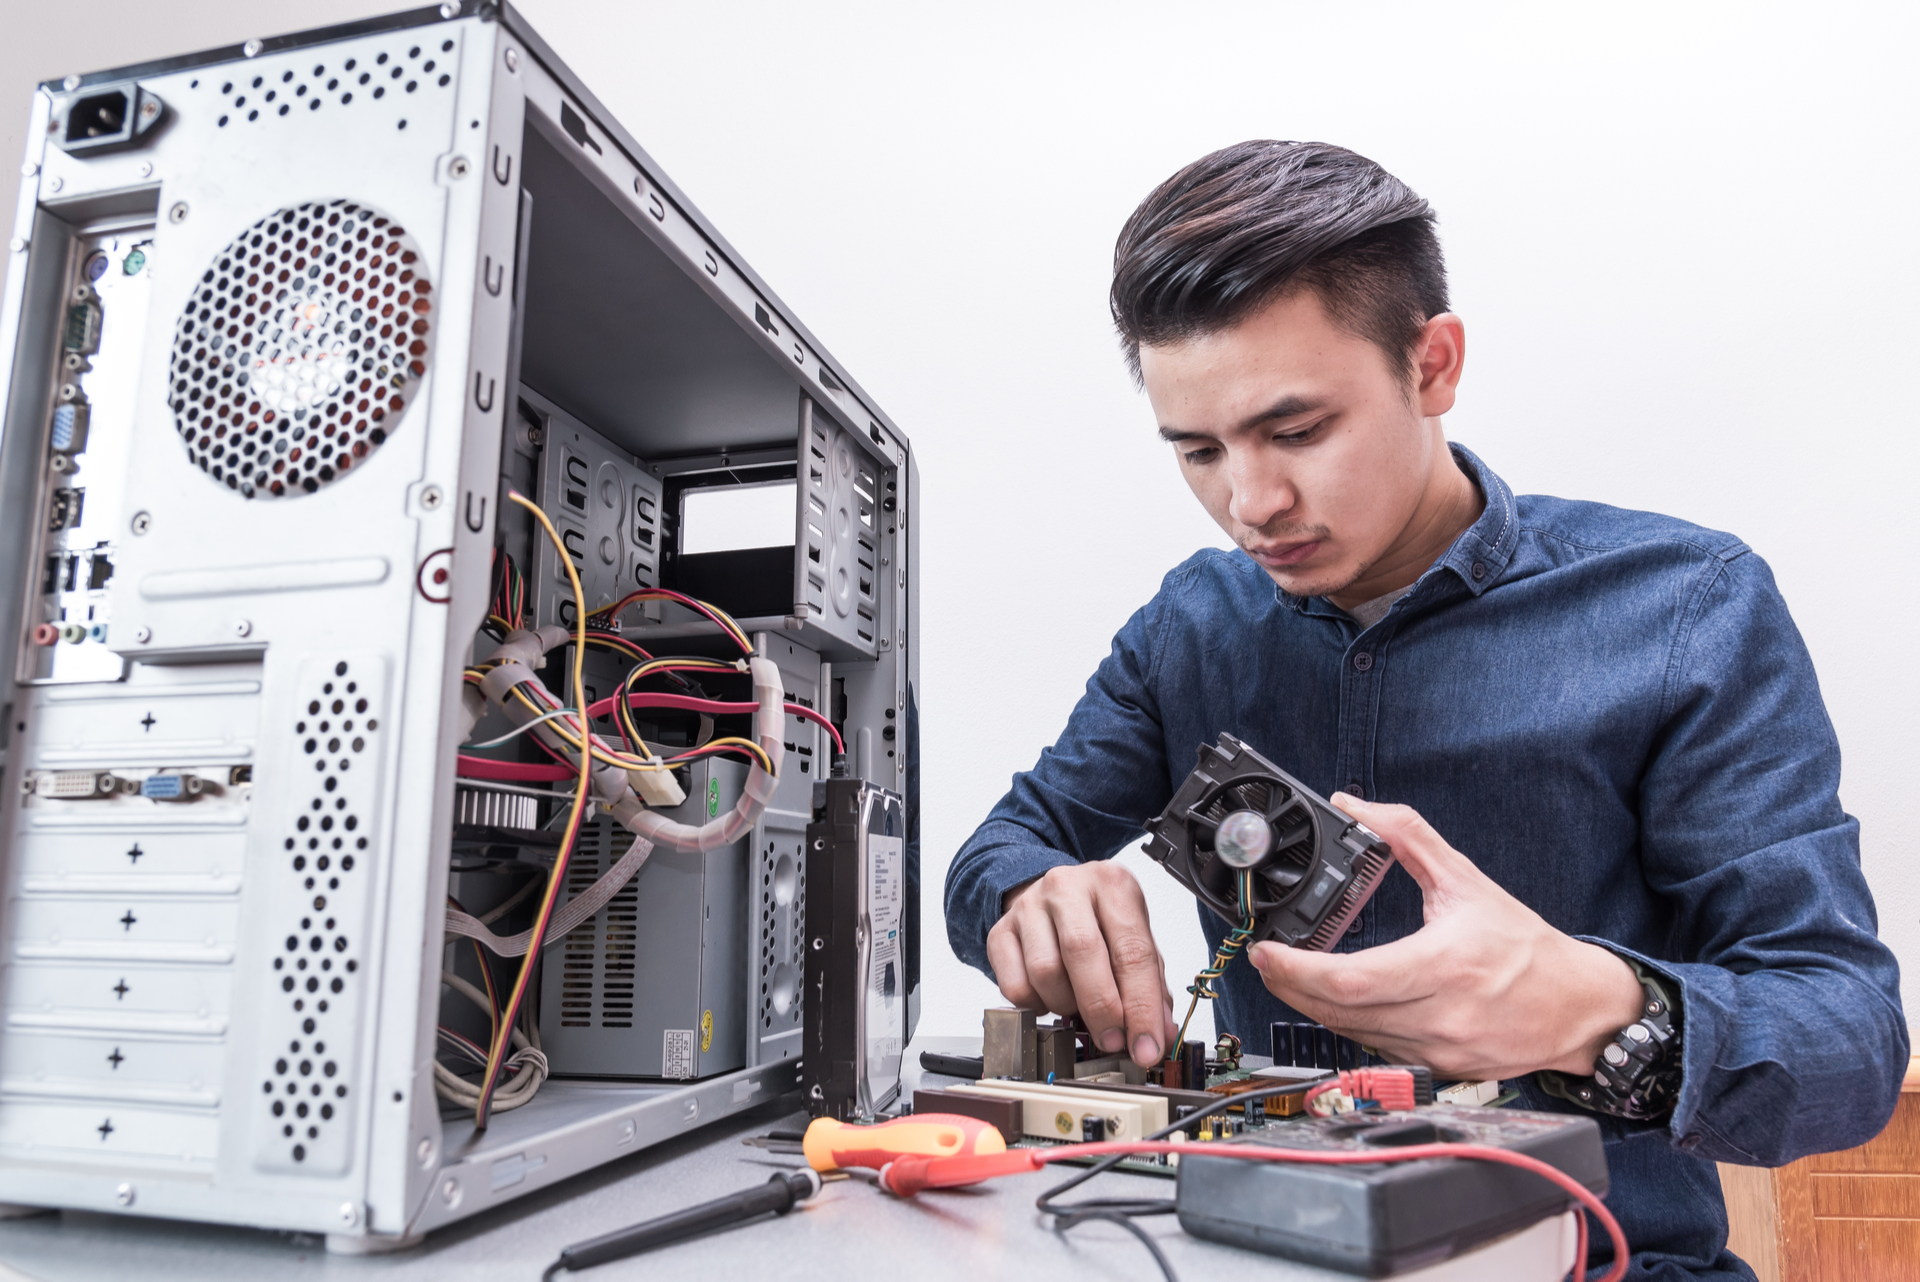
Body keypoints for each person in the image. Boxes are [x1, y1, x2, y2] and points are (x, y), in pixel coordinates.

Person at [943, 140, 1907, 1280]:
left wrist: (1598, 1010)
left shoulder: (1687, 608)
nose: (1250, 504)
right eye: (1198, 449)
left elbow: (1846, 1037)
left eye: (1296, 431)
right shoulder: (1193, 624)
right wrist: (1032, 896)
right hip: (1253, 1254)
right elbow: (993, 856)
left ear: (1433, 364)